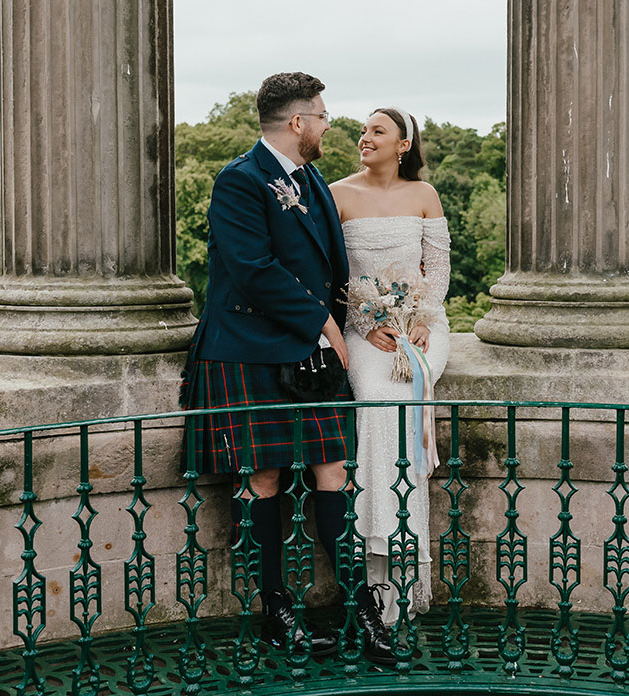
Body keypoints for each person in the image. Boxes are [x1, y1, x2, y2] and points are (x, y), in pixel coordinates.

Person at [180, 72, 395, 664]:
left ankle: (362, 613)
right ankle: (277, 612)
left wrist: (365, 317)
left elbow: (333, 265)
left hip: (309, 354)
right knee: (264, 479)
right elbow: (253, 268)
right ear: (298, 122)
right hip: (249, 349)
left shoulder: (312, 179)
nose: (330, 127)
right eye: (323, 117)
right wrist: (322, 323)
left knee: (334, 472)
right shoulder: (239, 181)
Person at [328, 107, 451, 625]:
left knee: (403, 396)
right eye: (363, 131)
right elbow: (331, 270)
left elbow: (439, 268)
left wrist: (422, 318)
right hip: (365, 329)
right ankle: (372, 571)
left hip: (422, 327)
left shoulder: (424, 196)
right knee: (378, 401)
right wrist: (363, 318)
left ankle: (405, 568)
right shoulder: (336, 194)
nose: (365, 138)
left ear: (403, 145)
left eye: (378, 131)